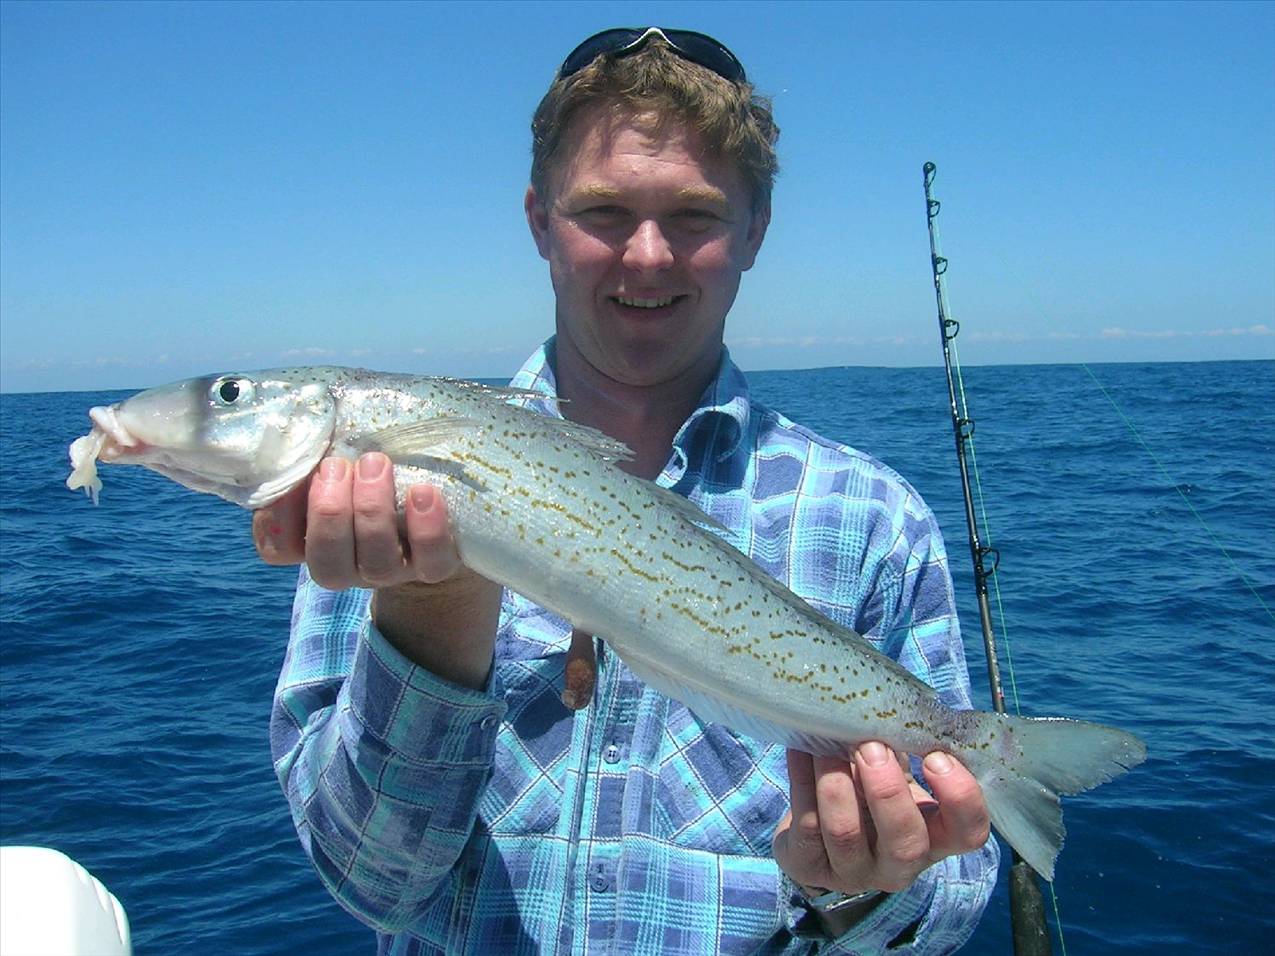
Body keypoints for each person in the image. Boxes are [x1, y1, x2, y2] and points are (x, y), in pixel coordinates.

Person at [255, 27, 999, 954]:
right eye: (603, 211)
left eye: (693, 215)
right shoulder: (383, 493)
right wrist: (433, 612)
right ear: (539, 221)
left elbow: (951, 903)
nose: (646, 256)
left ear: (755, 230)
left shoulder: (875, 523)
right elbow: (372, 885)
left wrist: (855, 893)